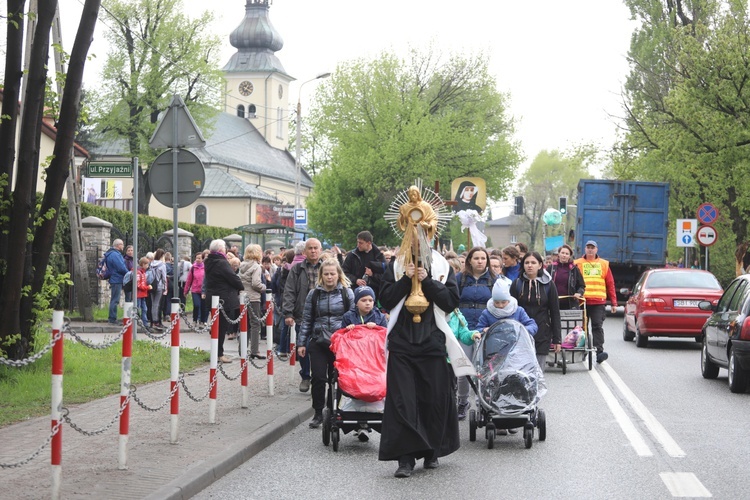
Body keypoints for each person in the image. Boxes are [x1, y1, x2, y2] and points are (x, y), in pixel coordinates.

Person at [378, 248, 468, 478]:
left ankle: (431, 451)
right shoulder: (396, 265)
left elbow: (450, 302)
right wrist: (406, 279)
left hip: (432, 341)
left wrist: (427, 281)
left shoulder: (441, 265)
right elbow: (386, 300)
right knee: (402, 401)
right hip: (402, 343)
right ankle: (405, 458)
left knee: (433, 399)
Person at [297, 258, 354, 428]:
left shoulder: (347, 293)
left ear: (338, 275)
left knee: (336, 378)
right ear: (321, 275)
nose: (329, 277)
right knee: (319, 377)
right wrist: (301, 343)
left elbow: (353, 317)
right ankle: (318, 412)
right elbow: (307, 319)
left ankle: (332, 410)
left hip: (340, 342)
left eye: (333, 274)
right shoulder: (313, 294)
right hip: (318, 340)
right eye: (326, 274)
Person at [454, 247, 496, 421]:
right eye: (476, 258)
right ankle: (462, 401)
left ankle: (484, 402)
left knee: (485, 369)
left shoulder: (494, 280)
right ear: (469, 260)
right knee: (463, 368)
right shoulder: (460, 279)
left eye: (483, 258)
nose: (480, 261)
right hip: (465, 328)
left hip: (486, 329)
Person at [510, 251, 561, 371]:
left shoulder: (549, 285)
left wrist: (557, 339)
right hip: (521, 333)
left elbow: (555, 312)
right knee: (522, 372)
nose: (530, 265)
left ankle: (538, 390)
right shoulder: (517, 284)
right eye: (526, 262)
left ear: (540, 265)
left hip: (542, 333)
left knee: (538, 372)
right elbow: (510, 311)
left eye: (533, 262)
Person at [283, 238, 322, 392]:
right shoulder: (297, 269)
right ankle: (306, 376)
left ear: (320, 250)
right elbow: (289, 291)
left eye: (315, 248)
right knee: (303, 347)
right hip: (302, 315)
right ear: (305, 251)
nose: (313, 251)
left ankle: (320, 378)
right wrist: (288, 313)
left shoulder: (327, 267)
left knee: (322, 347)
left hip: (323, 314)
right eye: (310, 248)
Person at [574, 240, 617, 364]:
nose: (590, 250)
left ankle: (599, 352)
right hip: (582, 301)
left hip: (598, 301)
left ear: (596, 249)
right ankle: (581, 351)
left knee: (597, 326)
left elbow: (610, 284)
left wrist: (614, 303)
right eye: (588, 247)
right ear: (585, 249)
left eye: (592, 247)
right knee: (581, 328)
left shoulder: (604, 264)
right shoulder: (577, 263)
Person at [205, 239, 244, 364]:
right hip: (223, 298)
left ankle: (216, 352)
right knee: (222, 327)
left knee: (217, 326)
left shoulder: (209, 261)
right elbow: (232, 277)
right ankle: (219, 354)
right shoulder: (221, 262)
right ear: (221, 250)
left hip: (214, 296)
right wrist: (240, 285)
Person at [239, 244, 266, 359]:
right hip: (253, 298)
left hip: (242, 297)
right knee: (255, 324)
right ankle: (255, 351)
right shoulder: (256, 266)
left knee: (244, 324)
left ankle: (242, 349)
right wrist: (264, 287)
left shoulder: (241, 265)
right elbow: (256, 283)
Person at [342, 231, 386, 299]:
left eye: (361, 243)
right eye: (358, 242)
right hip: (354, 293)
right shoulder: (352, 255)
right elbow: (343, 272)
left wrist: (372, 275)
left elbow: (385, 277)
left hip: (374, 295)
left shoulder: (379, 257)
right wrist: (356, 280)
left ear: (369, 243)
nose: (358, 245)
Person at [547, 244, 586, 310]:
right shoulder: (551, 268)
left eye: (567, 254)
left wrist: (579, 293)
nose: (564, 255)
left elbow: (581, 285)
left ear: (570, 256)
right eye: (562, 253)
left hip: (570, 304)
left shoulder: (574, 269)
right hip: (552, 303)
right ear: (558, 254)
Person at [104, 239, 128, 324]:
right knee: (115, 300)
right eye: (122, 244)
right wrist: (128, 273)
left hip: (115, 278)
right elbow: (121, 267)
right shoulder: (115, 255)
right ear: (118, 245)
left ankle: (112, 318)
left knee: (114, 299)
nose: (123, 246)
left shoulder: (112, 253)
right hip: (116, 279)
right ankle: (112, 319)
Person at [148, 249, 168, 331]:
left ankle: (152, 321)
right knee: (157, 304)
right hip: (159, 286)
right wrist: (165, 288)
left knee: (153, 304)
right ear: (162, 256)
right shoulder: (162, 265)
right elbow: (164, 277)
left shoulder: (151, 264)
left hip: (152, 285)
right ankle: (156, 321)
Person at [184, 252, 206, 325]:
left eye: (199, 258)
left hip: (203, 291)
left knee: (203, 306)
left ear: (202, 259)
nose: (198, 260)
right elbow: (189, 280)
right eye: (196, 258)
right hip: (195, 290)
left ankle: (202, 320)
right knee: (196, 305)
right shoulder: (193, 268)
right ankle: (195, 319)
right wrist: (186, 290)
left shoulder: (205, 268)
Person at [136, 257, 152, 330]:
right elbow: (138, 285)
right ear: (143, 264)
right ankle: (137, 322)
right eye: (147, 265)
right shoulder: (139, 273)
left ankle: (145, 323)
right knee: (138, 308)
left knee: (144, 308)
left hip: (142, 294)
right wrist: (147, 287)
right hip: (139, 294)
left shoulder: (143, 272)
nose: (148, 266)